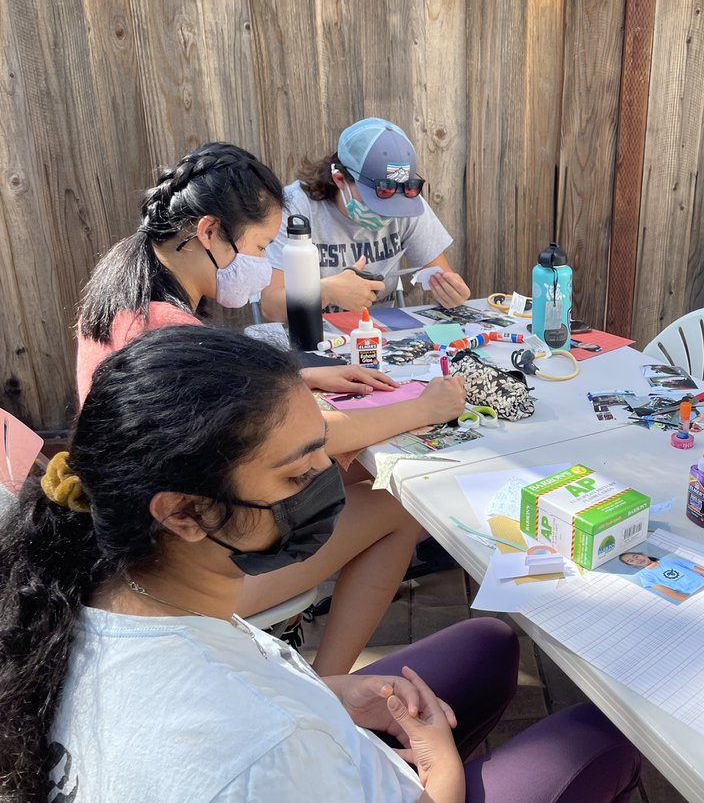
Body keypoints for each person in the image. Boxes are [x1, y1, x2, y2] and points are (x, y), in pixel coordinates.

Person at [0, 327, 641, 803]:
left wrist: (326, 694)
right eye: (299, 473)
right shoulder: (255, 765)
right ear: (185, 513)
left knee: (491, 644)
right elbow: (256, 755)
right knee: (606, 740)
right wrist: (442, 772)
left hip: (318, 769)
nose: (328, 482)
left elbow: (241, 688)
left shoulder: (97, 593)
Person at [75, 142, 467, 675]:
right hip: (182, 576)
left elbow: (200, 403)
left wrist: (300, 375)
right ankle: (331, 686)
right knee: (400, 505)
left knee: (354, 483)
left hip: (141, 546)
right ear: (209, 232)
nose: (261, 267)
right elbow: (318, 437)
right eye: (259, 248)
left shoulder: (125, 292)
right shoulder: (169, 335)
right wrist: (426, 406)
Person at [259, 117, 470, 319]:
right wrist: (325, 292)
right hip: (313, 338)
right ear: (340, 179)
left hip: (378, 335)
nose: (389, 210)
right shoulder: (296, 208)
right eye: (381, 195)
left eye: (399, 196)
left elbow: (441, 275)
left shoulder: (407, 202)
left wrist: (451, 293)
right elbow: (271, 306)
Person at [617, 551, 704, 603]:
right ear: (631, 566)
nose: (637, 560)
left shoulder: (670, 560)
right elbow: (674, 595)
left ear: (643, 554)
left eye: (636, 556)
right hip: (696, 597)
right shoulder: (646, 577)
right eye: (631, 561)